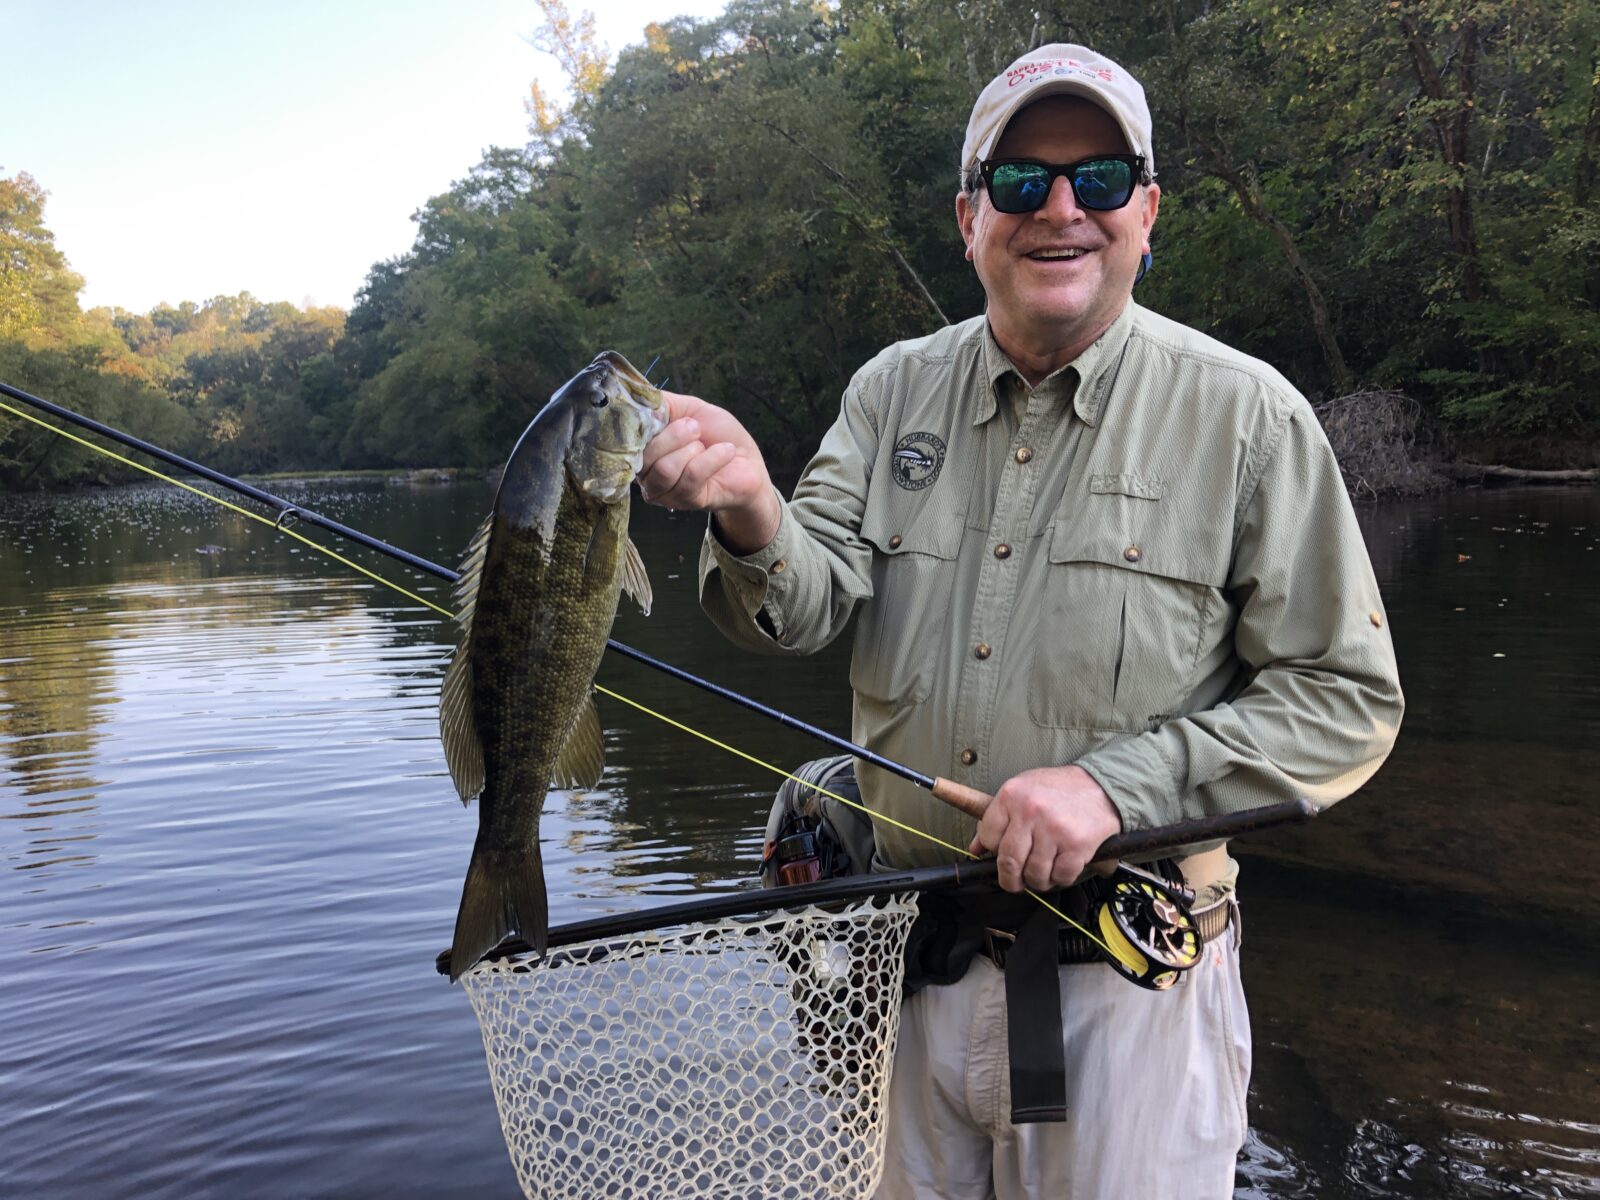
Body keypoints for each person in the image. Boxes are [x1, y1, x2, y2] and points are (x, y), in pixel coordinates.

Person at [638, 42, 1403, 1200]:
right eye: (1018, 181)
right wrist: (750, 509)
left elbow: (1344, 700)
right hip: (899, 960)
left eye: (1097, 180)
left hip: (1125, 989)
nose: (1060, 210)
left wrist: (1112, 789)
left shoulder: (1249, 415)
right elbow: (796, 612)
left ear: (1146, 213)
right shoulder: (890, 388)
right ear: (967, 215)